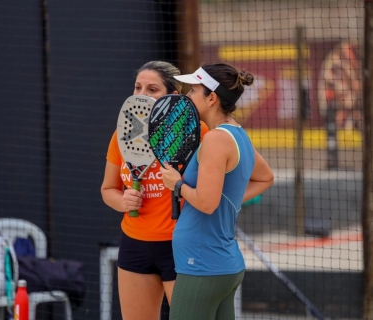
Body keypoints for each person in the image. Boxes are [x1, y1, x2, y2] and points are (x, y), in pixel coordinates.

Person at [160, 62, 274, 320]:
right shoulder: (237, 135)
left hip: (202, 264)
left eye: (192, 91)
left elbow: (208, 203)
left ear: (211, 98)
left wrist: (177, 184)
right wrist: (227, 200)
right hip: (221, 266)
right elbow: (266, 177)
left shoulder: (215, 139)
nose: (187, 97)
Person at [100, 60, 209, 320]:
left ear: (172, 96)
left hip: (182, 246)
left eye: (152, 89)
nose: (141, 95)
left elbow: (214, 191)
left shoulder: (196, 132)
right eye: (137, 87)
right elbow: (108, 190)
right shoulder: (122, 135)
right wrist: (123, 201)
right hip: (134, 246)